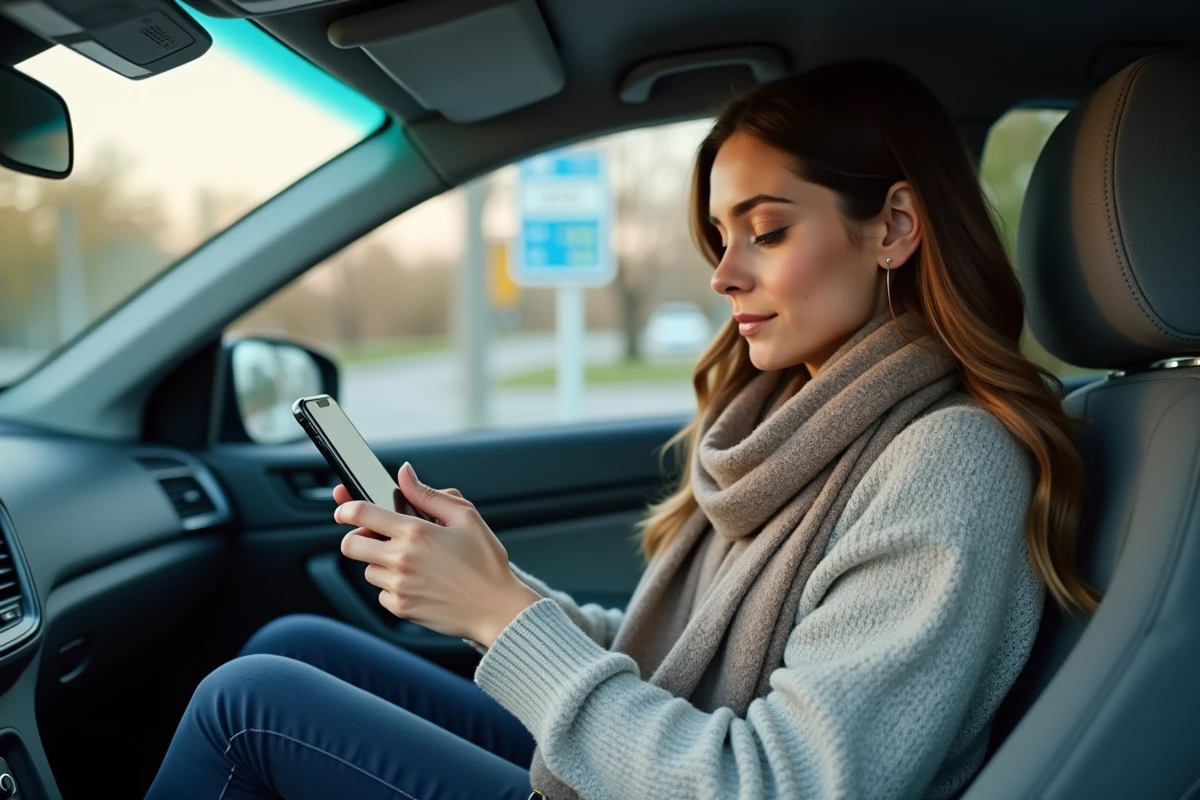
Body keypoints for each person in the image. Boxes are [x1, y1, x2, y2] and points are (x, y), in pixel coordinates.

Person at [144, 59, 1096, 800]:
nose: (724, 276)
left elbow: (781, 784)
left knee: (249, 709)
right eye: (719, 237)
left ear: (892, 227)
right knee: (298, 644)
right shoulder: (796, 426)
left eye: (766, 231)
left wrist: (496, 616)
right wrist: (494, 583)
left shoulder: (951, 458)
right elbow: (662, 656)